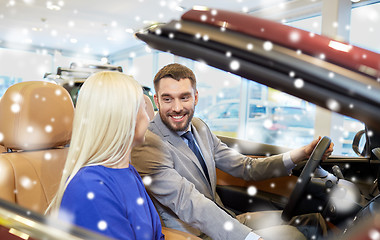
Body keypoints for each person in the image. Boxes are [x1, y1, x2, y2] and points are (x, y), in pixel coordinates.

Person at [131, 63, 334, 240]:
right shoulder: (148, 143)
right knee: (295, 235)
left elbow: (246, 167)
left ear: (196, 97)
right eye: (168, 99)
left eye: (184, 97)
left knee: (311, 221)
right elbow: (191, 203)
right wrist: (250, 238)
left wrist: (302, 153)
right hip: (194, 235)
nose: (177, 108)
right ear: (157, 101)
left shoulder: (199, 127)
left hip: (226, 219)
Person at [47, 71, 164, 240]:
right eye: (144, 108)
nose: (149, 117)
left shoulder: (127, 171)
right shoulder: (90, 188)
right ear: (125, 118)